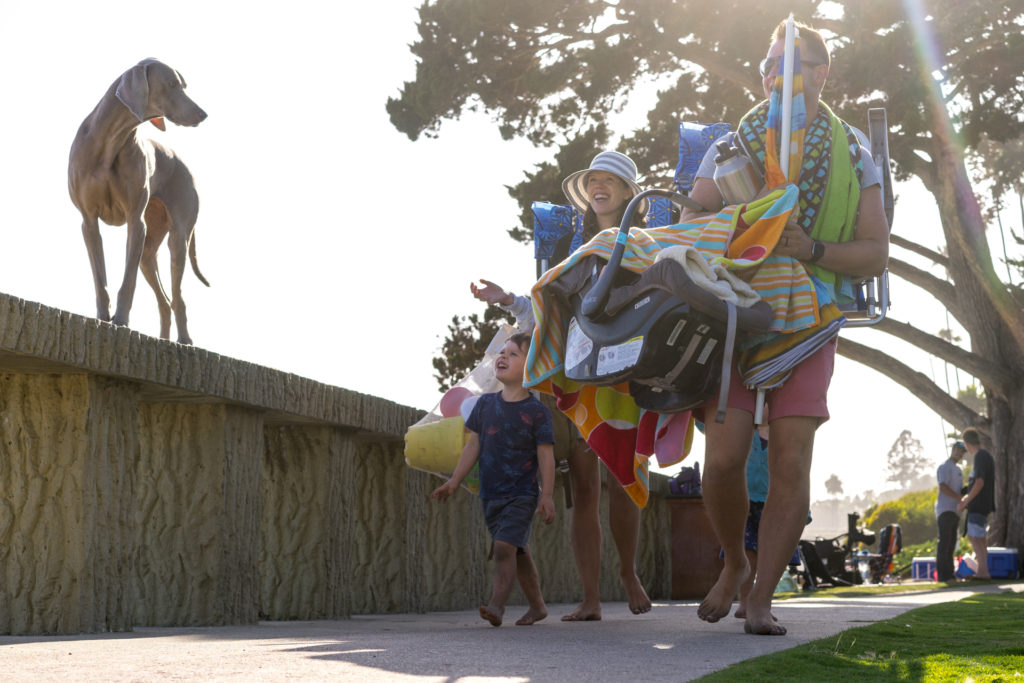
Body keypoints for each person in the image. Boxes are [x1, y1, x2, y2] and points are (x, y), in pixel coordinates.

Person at [679, 19, 890, 636]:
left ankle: (761, 597)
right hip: (736, 313)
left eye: (792, 63)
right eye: (770, 63)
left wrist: (811, 248)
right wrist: (729, 225)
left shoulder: (855, 150)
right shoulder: (732, 146)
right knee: (722, 459)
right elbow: (693, 215)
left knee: (793, 456)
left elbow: (875, 251)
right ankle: (735, 564)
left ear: (821, 73)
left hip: (814, 316)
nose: (777, 74)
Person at [470, 150, 654, 620]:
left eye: (610, 179)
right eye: (594, 179)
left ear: (629, 192)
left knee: (625, 476)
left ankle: (629, 573)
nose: (599, 185)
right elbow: (547, 306)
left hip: (626, 371)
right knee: (587, 490)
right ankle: (591, 599)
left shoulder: (648, 240)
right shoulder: (571, 245)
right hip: (576, 375)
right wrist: (507, 299)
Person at [430, 333, 556, 626]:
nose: (503, 356)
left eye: (514, 354)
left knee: (503, 548)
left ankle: (497, 606)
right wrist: (454, 481)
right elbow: (473, 446)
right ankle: (537, 606)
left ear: (531, 367)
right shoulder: (485, 406)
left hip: (522, 494)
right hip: (491, 494)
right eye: (502, 351)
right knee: (518, 550)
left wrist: (546, 495)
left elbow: (545, 455)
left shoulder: (537, 412)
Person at [957, 427, 995, 580]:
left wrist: (965, 501)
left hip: (979, 505)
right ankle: (983, 570)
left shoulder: (980, 456)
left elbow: (979, 482)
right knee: (979, 538)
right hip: (982, 504)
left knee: (975, 537)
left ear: (967, 443)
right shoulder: (984, 456)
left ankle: (983, 572)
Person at [935, 441, 966, 582]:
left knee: (952, 542)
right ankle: (943, 575)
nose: (960, 454)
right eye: (958, 451)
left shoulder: (959, 470)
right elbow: (943, 487)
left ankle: (950, 573)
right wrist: (960, 497)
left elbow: (958, 489)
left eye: (962, 452)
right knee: (945, 542)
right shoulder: (944, 467)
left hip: (955, 511)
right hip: (945, 510)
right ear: (953, 450)